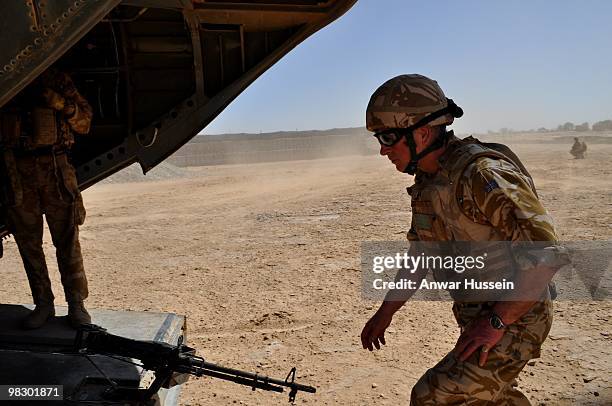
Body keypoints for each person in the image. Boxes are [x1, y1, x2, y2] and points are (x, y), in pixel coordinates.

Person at [360, 74, 563, 405]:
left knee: (433, 395)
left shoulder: (481, 174)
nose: (383, 149)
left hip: (517, 316)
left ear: (422, 133)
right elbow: (422, 256)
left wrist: (497, 321)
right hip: (479, 315)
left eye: (389, 137)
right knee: (490, 399)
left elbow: (546, 254)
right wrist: (386, 312)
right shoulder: (430, 183)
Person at [0, 67, 93, 329]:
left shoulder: (56, 79)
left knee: (67, 241)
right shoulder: (6, 78)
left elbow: (85, 122)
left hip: (55, 170)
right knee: (29, 245)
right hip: (18, 174)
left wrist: (62, 105)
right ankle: (43, 304)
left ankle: (76, 304)